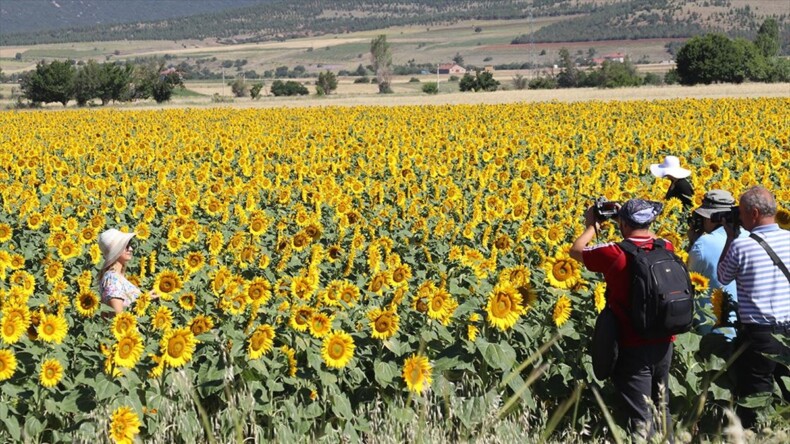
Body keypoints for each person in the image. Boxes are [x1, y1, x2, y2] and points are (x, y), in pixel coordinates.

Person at [570, 199, 674, 439]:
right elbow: (650, 236)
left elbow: (576, 250)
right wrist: (628, 220)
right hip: (664, 342)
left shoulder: (614, 253)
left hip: (631, 345)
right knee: (662, 407)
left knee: (641, 418)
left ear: (624, 224)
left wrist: (592, 226)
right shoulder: (666, 247)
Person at [717, 186, 790, 429]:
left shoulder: (742, 246)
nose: (739, 216)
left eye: (741, 212)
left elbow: (722, 276)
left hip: (760, 334)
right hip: (788, 331)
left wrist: (730, 237)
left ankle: (757, 435)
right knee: (786, 392)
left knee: (756, 396)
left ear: (755, 213)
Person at [687, 190, 740, 338]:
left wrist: (693, 243)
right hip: (746, 327)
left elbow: (687, 281)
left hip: (712, 328)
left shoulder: (704, 244)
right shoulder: (748, 236)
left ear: (712, 218)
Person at [98, 228, 157, 314]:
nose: (131, 249)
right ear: (116, 250)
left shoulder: (116, 276)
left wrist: (146, 298)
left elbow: (128, 305)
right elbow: (119, 316)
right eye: (126, 246)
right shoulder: (112, 278)